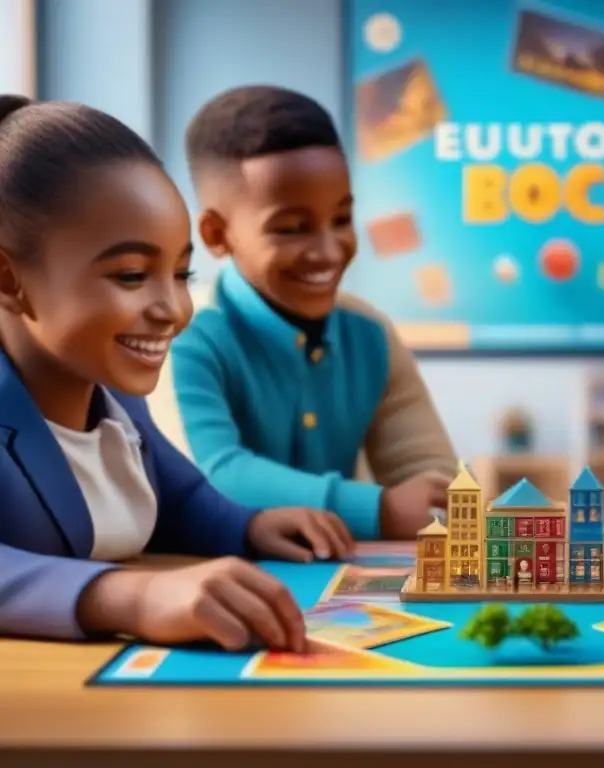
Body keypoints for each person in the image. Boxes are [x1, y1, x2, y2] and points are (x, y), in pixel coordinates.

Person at [0, 95, 352, 650]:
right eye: (134, 274)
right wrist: (128, 597)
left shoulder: (119, 401)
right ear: (8, 280)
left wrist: (249, 527)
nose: (175, 310)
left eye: (182, 273)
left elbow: (180, 500)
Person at [170, 85, 457, 542]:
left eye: (341, 219)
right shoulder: (187, 334)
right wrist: (377, 509)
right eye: (291, 229)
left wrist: (428, 507)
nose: (327, 251)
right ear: (217, 234)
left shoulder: (371, 334)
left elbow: (433, 484)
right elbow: (214, 474)